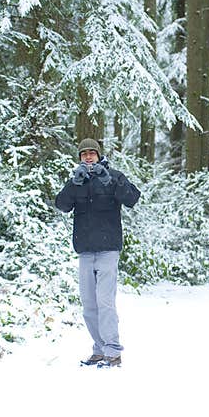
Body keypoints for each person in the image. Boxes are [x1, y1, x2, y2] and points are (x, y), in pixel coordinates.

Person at [55, 138, 141, 368]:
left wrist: (110, 180)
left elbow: (132, 198)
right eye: (84, 154)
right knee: (89, 304)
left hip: (108, 248)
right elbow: (62, 205)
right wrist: (73, 184)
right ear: (80, 158)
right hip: (85, 250)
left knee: (105, 301)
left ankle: (113, 352)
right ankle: (99, 349)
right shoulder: (77, 180)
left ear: (99, 155)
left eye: (92, 153)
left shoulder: (113, 176)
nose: (89, 157)